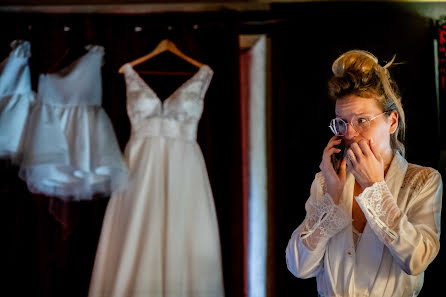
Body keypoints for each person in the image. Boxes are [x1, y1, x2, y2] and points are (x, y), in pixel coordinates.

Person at [285, 49, 443, 297]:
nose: (349, 133)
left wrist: (375, 188)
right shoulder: (326, 182)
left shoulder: (423, 181)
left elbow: (416, 260)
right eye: (342, 122)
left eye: (362, 120)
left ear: (391, 122)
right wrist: (332, 197)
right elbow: (299, 267)